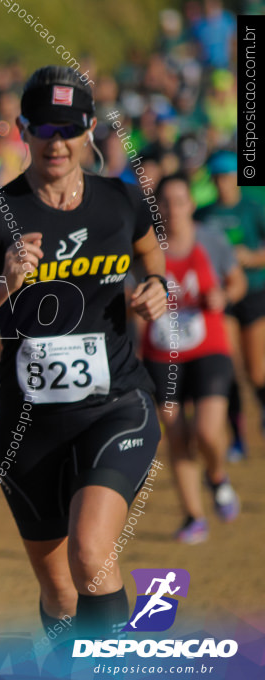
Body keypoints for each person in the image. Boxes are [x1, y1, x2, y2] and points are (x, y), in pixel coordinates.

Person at [0, 66, 168, 642]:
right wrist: (4, 283)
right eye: (44, 127)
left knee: (91, 554)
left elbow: (153, 257)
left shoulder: (121, 201)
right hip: (28, 425)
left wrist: (160, 289)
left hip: (116, 403)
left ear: (89, 129)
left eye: (69, 127)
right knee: (61, 593)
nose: (57, 141)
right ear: (22, 130)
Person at [142, 174, 240, 543]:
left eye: (179, 201)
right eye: (164, 202)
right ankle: (193, 516)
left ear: (191, 204)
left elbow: (236, 281)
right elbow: (126, 292)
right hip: (161, 350)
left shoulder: (210, 239)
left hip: (208, 347)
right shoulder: (146, 245)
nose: (172, 209)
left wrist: (223, 297)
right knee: (176, 433)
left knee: (205, 431)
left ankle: (216, 475)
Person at [194, 151, 265, 444]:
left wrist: (252, 257)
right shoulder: (203, 214)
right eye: (218, 178)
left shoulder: (253, 208)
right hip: (220, 298)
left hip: (254, 292)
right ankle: (237, 434)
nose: (223, 183)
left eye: (227, 177)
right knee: (230, 365)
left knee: (257, 370)